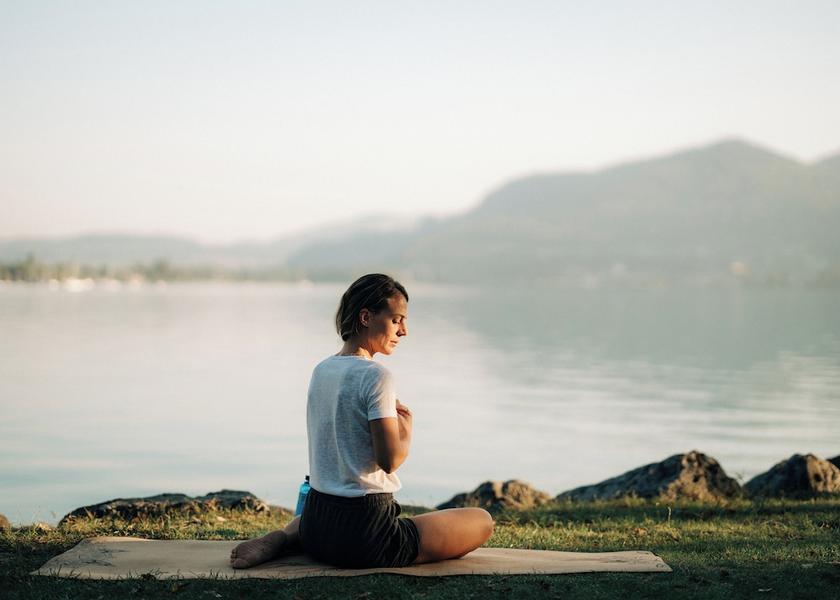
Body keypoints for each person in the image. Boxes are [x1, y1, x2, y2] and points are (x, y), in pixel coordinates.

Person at [230, 273, 494, 569]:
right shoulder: (376, 376)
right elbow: (389, 461)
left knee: (334, 510)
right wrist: (405, 431)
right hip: (365, 536)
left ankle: (283, 538)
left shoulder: (322, 370)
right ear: (366, 317)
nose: (404, 330)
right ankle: (302, 538)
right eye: (397, 320)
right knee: (481, 520)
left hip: (317, 524)